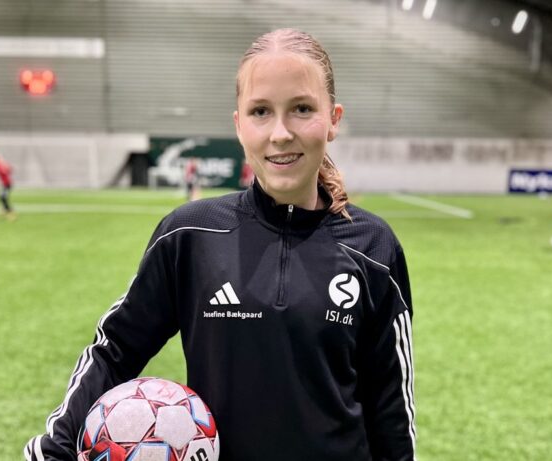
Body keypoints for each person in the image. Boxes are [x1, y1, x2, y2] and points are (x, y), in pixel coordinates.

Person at [25, 29, 416, 461]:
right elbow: (115, 348)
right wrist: (55, 450)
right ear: (238, 125)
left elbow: (390, 407)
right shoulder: (189, 235)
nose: (280, 133)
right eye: (261, 111)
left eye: (302, 109)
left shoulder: (373, 248)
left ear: (333, 119)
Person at [0, 153, 15, 220]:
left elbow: (7, 170)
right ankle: (4, 211)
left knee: (3, 198)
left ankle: (10, 212)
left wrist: (4, 169)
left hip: (7, 183)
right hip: (5, 183)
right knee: (1, 197)